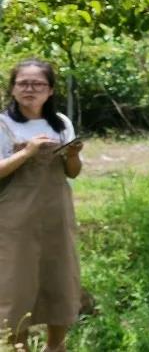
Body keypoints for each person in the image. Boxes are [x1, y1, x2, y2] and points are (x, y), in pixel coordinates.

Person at [0, 59, 84, 352]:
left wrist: (72, 154)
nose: (30, 89)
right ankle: (17, 347)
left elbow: (72, 172)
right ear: (12, 89)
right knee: (15, 281)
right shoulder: (2, 124)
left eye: (38, 84)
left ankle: (56, 346)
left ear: (50, 91)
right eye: (23, 83)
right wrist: (29, 152)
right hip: (14, 217)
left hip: (56, 213)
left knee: (59, 276)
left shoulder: (61, 123)